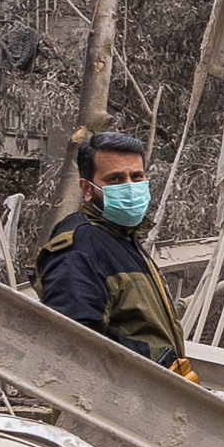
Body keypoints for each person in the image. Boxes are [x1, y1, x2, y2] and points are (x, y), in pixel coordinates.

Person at [35, 127, 184, 369]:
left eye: (136, 177)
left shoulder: (122, 238)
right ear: (86, 189)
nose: (129, 187)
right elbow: (75, 347)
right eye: (115, 179)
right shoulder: (79, 248)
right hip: (108, 403)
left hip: (146, 398)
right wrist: (158, 359)